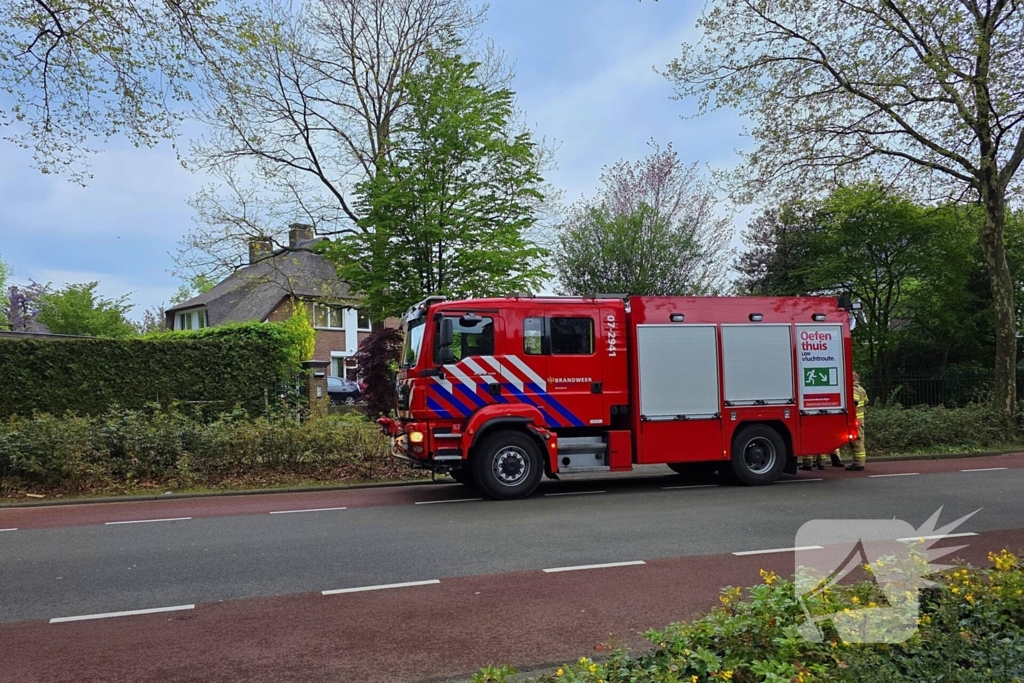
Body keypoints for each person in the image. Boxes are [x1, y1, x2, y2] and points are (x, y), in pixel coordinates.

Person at [846, 372, 869, 471]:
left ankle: (858, 463)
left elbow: (853, 403)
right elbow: (866, 402)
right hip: (860, 419)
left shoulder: (854, 390)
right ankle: (860, 462)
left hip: (856, 420)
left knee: (856, 442)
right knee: (860, 440)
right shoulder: (862, 389)